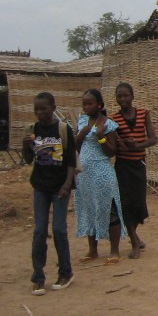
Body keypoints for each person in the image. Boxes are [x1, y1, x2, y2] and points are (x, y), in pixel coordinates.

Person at [22, 92, 76, 295]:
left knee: (60, 230)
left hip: (60, 187)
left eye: (43, 108)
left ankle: (66, 272)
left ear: (53, 107)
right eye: (36, 109)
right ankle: (38, 277)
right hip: (41, 187)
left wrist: (67, 185)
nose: (39, 112)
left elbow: (71, 160)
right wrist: (26, 145)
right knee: (39, 231)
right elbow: (28, 160)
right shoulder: (32, 130)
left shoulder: (63, 129)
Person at [74, 88, 126, 266]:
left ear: (99, 105)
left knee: (109, 210)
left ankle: (114, 250)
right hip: (85, 175)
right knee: (89, 210)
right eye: (84, 104)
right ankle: (92, 250)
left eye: (90, 103)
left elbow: (112, 152)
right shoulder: (81, 122)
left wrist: (100, 136)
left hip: (102, 174)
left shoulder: (108, 124)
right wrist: (81, 134)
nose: (86, 107)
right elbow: (75, 147)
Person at [111, 82, 157, 259]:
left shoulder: (143, 114)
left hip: (138, 165)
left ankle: (135, 237)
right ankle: (134, 242)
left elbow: (153, 139)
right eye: (119, 96)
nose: (122, 99)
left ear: (132, 96)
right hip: (122, 166)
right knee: (125, 203)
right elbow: (114, 143)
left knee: (138, 203)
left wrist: (137, 145)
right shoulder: (114, 120)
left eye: (125, 95)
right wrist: (123, 144)